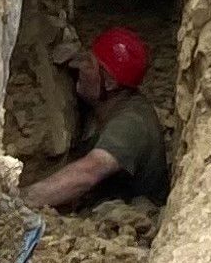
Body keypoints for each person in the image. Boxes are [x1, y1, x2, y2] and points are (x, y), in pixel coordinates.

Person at [24, 27, 168, 210]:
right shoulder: (104, 101)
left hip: (132, 215)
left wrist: (22, 200)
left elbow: (88, 173)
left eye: (89, 64)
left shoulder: (131, 123)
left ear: (109, 83)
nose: (80, 68)